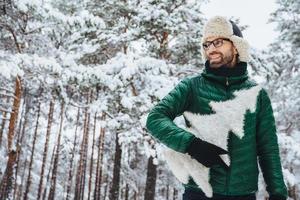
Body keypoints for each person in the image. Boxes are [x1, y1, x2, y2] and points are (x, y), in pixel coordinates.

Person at [145, 16, 287, 200]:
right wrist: (192, 144)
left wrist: (278, 193)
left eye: (217, 42)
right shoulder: (191, 87)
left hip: (243, 195)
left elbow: (268, 149)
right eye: (206, 44)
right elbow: (155, 118)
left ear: (236, 46)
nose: (211, 49)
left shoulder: (257, 95)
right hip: (199, 192)